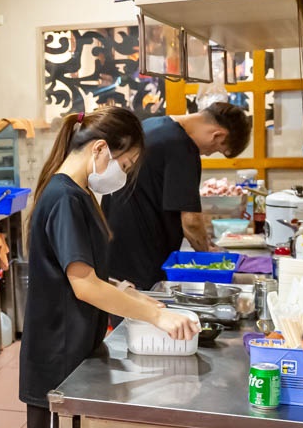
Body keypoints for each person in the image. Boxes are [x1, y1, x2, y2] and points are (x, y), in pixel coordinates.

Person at [22, 107, 199, 428]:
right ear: (100, 149)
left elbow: (84, 275)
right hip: (54, 362)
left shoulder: (81, 194)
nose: (123, 172)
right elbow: (83, 284)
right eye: (126, 163)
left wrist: (121, 291)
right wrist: (156, 318)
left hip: (75, 353)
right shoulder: (64, 195)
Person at [102, 102, 252, 293]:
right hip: (143, 259)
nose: (207, 153)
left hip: (115, 249)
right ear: (218, 135)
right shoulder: (182, 147)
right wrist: (207, 255)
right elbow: (191, 222)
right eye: (215, 149)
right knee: (140, 319)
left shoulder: (153, 125)